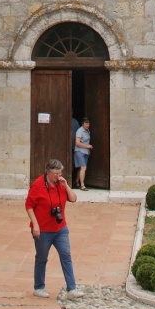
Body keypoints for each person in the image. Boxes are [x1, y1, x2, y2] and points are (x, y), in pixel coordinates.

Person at [25, 158, 84, 299]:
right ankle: (39, 287)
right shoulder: (38, 185)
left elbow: (74, 199)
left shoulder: (61, 184)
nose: (58, 176)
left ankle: (72, 288)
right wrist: (36, 225)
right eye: (55, 173)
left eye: (60, 173)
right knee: (42, 258)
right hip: (43, 230)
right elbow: (29, 206)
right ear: (48, 172)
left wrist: (66, 185)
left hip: (60, 228)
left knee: (66, 256)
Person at [73, 117, 92, 189]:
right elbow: (77, 143)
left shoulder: (87, 131)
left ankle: (77, 181)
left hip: (85, 152)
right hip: (80, 151)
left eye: (88, 123)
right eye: (86, 123)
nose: (87, 125)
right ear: (82, 123)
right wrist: (87, 146)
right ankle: (82, 185)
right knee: (83, 168)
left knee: (81, 168)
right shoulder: (80, 131)